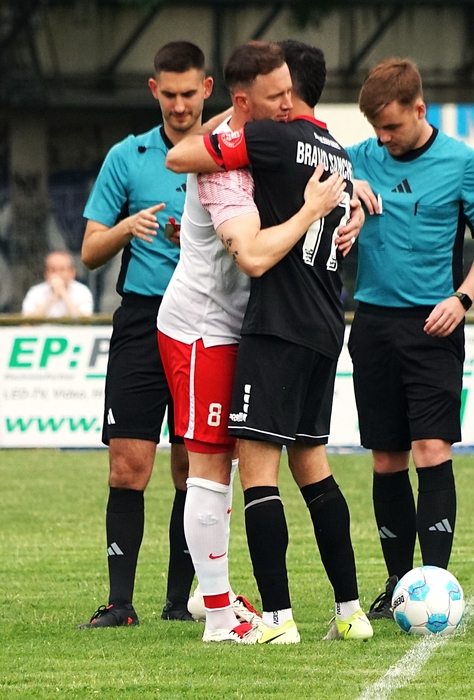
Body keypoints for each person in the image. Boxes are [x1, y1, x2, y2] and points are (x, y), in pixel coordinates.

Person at [166, 39, 370, 644]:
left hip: (273, 324)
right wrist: (352, 203)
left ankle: (271, 620)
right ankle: (348, 612)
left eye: (286, 92)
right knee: (305, 464)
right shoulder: (335, 150)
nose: (282, 104)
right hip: (312, 322)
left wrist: (313, 211)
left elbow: (184, 159)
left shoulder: (268, 140)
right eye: (271, 94)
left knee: (251, 472)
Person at [344, 58, 474, 619]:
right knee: (386, 458)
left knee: (431, 450)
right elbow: (308, 168)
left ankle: (434, 584)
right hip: (372, 325)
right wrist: (346, 184)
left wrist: (461, 299)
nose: (382, 138)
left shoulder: (463, 164)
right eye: (375, 128)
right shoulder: (356, 156)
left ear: (420, 108)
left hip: (433, 326)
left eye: (391, 126)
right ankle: (396, 585)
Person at [76, 41, 209, 628]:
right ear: (154, 90)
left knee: (189, 468)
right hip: (141, 321)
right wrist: (128, 227)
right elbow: (89, 251)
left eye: (189, 94)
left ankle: (179, 603)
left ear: (207, 89)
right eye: (169, 94)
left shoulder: (227, 155)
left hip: (203, 321)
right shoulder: (126, 158)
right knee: (128, 467)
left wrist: (200, 239)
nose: (179, 106)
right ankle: (120, 604)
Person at [21, 250, 94, 318]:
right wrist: (53, 297)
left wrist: (63, 294)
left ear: (72, 273)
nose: (57, 274)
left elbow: (84, 322)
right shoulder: (35, 292)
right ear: (46, 273)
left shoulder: (82, 291)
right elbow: (26, 322)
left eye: (62, 269)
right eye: (52, 270)